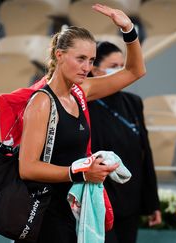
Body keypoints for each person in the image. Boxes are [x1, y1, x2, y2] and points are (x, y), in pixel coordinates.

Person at [17, 4, 145, 243]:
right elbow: (27, 168)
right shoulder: (42, 102)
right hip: (46, 213)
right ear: (59, 55)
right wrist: (80, 172)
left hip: (74, 208)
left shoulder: (80, 91)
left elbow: (135, 70)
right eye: (81, 59)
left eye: (92, 60)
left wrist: (128, 29)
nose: (87, 68)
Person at [87, 41, 162, 243]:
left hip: (130, 200)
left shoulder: (133, 102)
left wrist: (152, 202)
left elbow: (145, 154)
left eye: (123, 65)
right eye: (113, 66)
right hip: (98, 200)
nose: (120, 71)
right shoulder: (83, 103)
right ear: (94, 70)